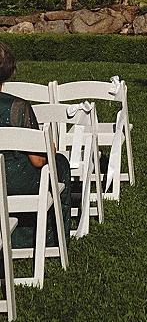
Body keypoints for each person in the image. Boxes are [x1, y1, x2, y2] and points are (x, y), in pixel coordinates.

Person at [0, 42, 71, 248]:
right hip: (16, 183)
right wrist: (51, 150)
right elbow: (38, 160)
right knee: (60, 165)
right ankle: (49, 240)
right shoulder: (17, 107)